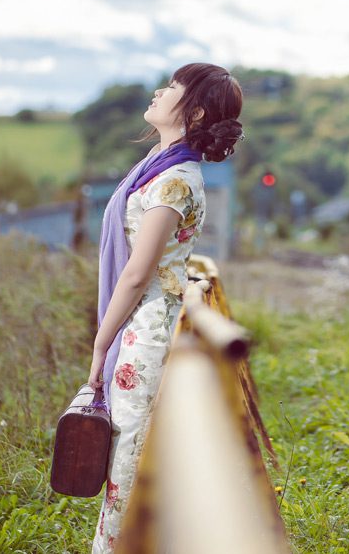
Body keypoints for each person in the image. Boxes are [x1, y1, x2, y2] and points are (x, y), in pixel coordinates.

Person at [87, 63, 244, 553]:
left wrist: (100, 342)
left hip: (147, 327)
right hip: (145, 321)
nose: (159, 91)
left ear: (193, 111)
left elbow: (137, 273)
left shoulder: (174, 180)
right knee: (127, 448)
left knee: (129, 454)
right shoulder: (160, 165)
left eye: (172, 87)